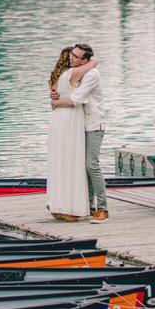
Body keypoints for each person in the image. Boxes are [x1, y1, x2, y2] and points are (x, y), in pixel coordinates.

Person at [51, 43, 108, 220]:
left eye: (76, 56)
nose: (71, 58)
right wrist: (56, 96)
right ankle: (89, 206)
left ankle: (103, 209)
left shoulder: (92, 75)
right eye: (72, 55)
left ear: (84, 60)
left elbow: (77, 99)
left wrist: (56, 103)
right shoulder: (79, 72)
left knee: (91, 165)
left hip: (93, 125)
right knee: (81, 168)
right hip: (77, 127)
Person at [46, 45, 89, 221]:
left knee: (58, 162)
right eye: (73, 56)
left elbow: (53, 97)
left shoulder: (54, 77)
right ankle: (66, 207)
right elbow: (93, 63)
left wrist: (54, 101)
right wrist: (87, 59)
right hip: (70, 119)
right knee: (71, 162)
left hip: (57, 119)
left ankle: (56, 205)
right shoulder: (71, 74)